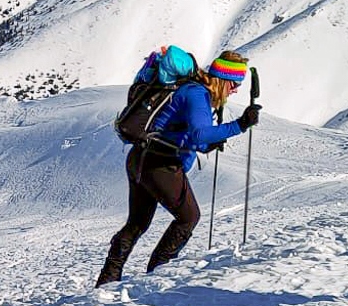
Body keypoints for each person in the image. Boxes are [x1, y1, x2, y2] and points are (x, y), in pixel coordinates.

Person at [97, 49, 259, 285]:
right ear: (222, 80)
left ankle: (108, 278)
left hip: (140, 158)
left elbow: (183, 133)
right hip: (160, 164)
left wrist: (206, 143)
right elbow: (199, 133)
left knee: (138, 223)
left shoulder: (189, 90)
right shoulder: (196, 93)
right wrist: (241, 124)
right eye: (234, 83)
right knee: (189, 216)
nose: (235, 89)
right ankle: (158, 274)